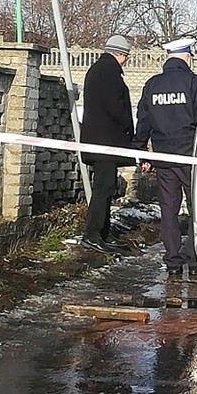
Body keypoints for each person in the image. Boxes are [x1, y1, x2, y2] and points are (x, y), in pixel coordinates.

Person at [133, 37, 197, 274]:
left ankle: (173, 260)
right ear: (187, 56)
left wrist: (141, 152)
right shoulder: (194, 83)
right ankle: (195, 258)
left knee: (168, 210)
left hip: (163, 157)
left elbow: (143, 120)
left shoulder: (152, 85)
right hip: (190, 158)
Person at [80, 35, 135, 254]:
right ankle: (92, 235)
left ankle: (102, 232)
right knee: (103, 189)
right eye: (127, 56)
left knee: (106, 187)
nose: (127, 60)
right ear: (120, 54)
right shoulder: (109, 72)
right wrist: (127, 126)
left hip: (100, 142)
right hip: (105, 144)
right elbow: (116, 106)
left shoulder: (99, 69)